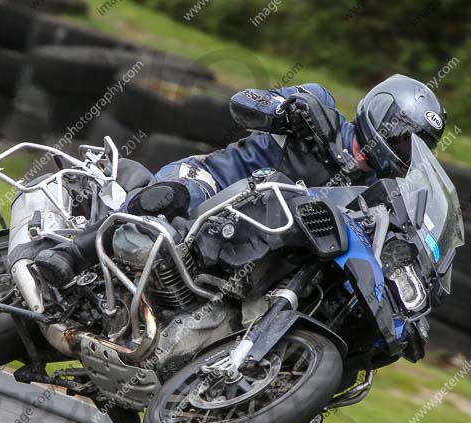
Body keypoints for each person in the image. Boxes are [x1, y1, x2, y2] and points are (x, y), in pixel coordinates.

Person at [36, 74, 446, 286]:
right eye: (399, 132)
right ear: (379, 108)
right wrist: (284, 110)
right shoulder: (319, 105)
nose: (400, 145)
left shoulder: (373, 196)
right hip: (214, 184)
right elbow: (246, 101)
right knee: (168, 200)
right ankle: (72, 255)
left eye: (413, 145)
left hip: (260, 245)